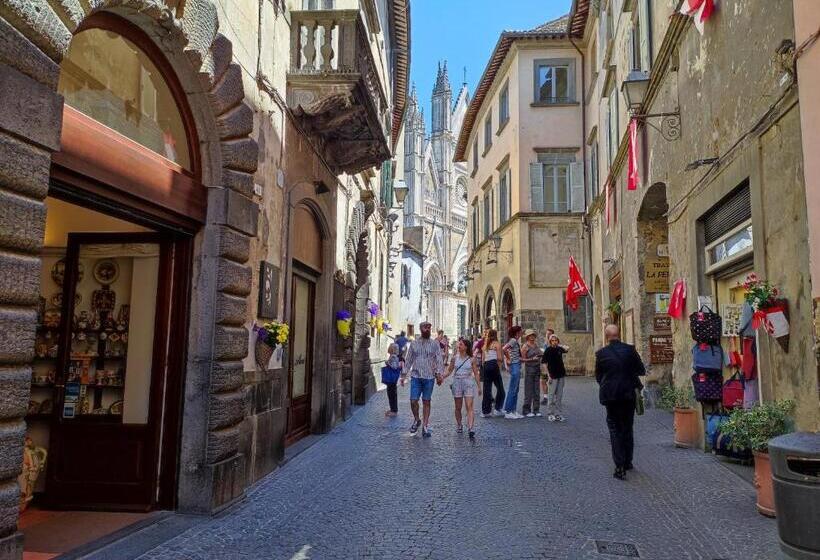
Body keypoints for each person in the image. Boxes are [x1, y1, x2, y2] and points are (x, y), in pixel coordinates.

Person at [595, 324, 645, 480]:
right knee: (627, 427)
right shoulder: (630, 350)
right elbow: (641, 370)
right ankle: (628, 461)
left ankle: (619, 465)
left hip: (611, 395)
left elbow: (598, 376)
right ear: (619, 334)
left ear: (606, 336)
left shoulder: (601, 354)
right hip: (628, 393)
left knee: (614, 429)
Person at [402, 321, 444, 438]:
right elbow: (409, 359)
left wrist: (440, 374)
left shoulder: (435, 344)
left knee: (426, 401)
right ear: (421, 329)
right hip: (416, 376)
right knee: (413, 400)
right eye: (426, 328)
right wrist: (404, 374)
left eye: (429, 328)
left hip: (429, 377)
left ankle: (425, 426)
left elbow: (439, 360)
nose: (428, 330)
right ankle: (416, 419)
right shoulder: (414, 344)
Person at [441, 338, 482, 439]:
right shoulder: (454, 358)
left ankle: (471, 428)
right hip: (457, 382)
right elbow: (449, 370)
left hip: (468, 382)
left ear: (466, 347)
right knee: (458, 407)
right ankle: (459, 425)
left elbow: (476, 373)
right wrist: (442, 377)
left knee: (469, 406)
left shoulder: (472, 359)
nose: (459, 346)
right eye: (459, 345)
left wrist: (479, 387)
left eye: (461, 345)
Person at [542, 334, 570, 422]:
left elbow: (567, 348)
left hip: (561, 374)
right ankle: (550, 413)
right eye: (552, 340)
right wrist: (548, 375)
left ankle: (558, 414)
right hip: (552, 375)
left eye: (556, 340)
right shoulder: (548, 350)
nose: (554, 342)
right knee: (551, 395)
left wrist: (559, 345)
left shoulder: (559, 349)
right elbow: (544, 363)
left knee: (559, 396)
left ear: (558, 341)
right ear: (550, 342)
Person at [479, 329, 506, 418]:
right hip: (494, 365)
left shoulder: (485, 345)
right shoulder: (497, 344)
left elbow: (483, 360)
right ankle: (498, 408)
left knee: (487, 389)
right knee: (500, 388)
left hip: (486, 366)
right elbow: (499, 358)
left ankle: (486, 411)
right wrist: (501, 361)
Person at [520, 329, 543, 417]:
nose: (532, 337)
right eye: (530, 335)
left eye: (533, 335)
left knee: (537, 391)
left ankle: (536, 409)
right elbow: (522, 359)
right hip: (529, 370)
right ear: (527, 337)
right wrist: (531, 359)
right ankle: (526, 410)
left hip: (537, 370)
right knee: (528, 391)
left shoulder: (536, 345)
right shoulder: (525, 346)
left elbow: (540, 353)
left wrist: (541, 355)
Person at [502, 326, 524, 419]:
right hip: (514, 365)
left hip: (516, 364)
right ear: (517, 332)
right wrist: (508, 358)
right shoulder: (513, 340)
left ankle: (513, 410)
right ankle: (508, 411)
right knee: (513, 389)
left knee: (515, 389)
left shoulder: (514, 341)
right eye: (521, 331)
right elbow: (504, 349)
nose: (522, 332)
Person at [381, 343, 403, 417]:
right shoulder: (395, 356)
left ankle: (394, 411)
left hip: (391, 379)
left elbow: (394, 367)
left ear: (392, 349)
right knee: (392, 394)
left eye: (390, 347)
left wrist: (387, 363)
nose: (388, 348)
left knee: (392, 395)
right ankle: (392, 409)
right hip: (392, 380)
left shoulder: (393, 356)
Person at [540, 328, 555, 403]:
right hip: (545, 366)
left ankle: (553, 397)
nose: (548, 335)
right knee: (543, 381)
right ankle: (545, 397)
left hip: (553, 366)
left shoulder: (554, 344)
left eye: (549, 334)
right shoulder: (545, 344)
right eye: (547, 334)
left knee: (553, 382)